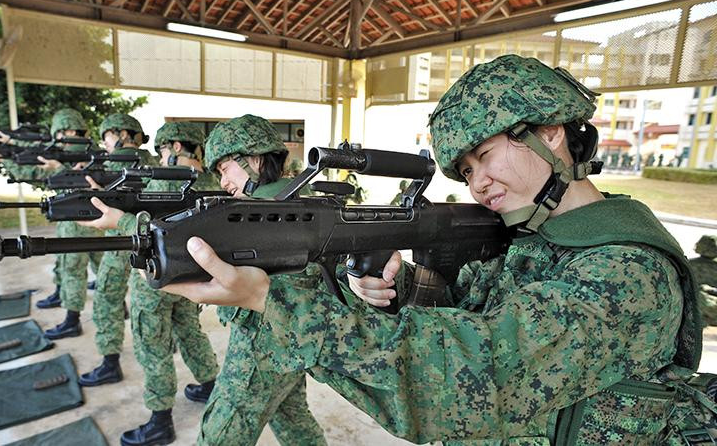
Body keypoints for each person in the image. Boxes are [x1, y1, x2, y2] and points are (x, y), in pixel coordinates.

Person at [158, 55, 701, 443]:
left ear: (551, 132)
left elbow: (467, 376)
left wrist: (270, 300)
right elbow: (470, 310)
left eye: (485, 155)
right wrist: (403, 288)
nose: (478, 183)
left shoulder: (627, 273)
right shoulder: (533, 236)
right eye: (466, 170)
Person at [80, 121, 222, 446]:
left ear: (175, 147)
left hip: (156, 278)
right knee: (189, 331)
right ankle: (209, 383)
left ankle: (160, 420)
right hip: (194, 275)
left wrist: (111, 212)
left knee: (152, 344)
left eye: (162, 150)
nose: (159, 156)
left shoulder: (160, 180)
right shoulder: (213, 181)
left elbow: (137, 224)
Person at [195, 115, 326, 446]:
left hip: (261, 344)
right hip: (293, 334)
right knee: (293, 420)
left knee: (221, 434)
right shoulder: (299, 198)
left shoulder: (260, 213)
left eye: (225, 168)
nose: (223, 181)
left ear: (253, 159)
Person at [0, 108, 103, 317]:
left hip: (77, 221)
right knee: (99, 265)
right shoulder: (93, 151)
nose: (58, 138)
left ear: (70, 131)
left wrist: (7, 158)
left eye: (60, 133)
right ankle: (114, 306)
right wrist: (9, 151)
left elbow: (44, 176)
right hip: (95, 221)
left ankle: (72, 320)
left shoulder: (76, 155)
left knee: (72, 269)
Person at [76, 114, 156, 385]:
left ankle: (110, 363)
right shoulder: (155, 161)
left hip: (119, 239)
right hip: (148, 239)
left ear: (122, 134)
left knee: (108, 297)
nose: (105, 142)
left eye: (107, 136)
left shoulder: (108, 164)